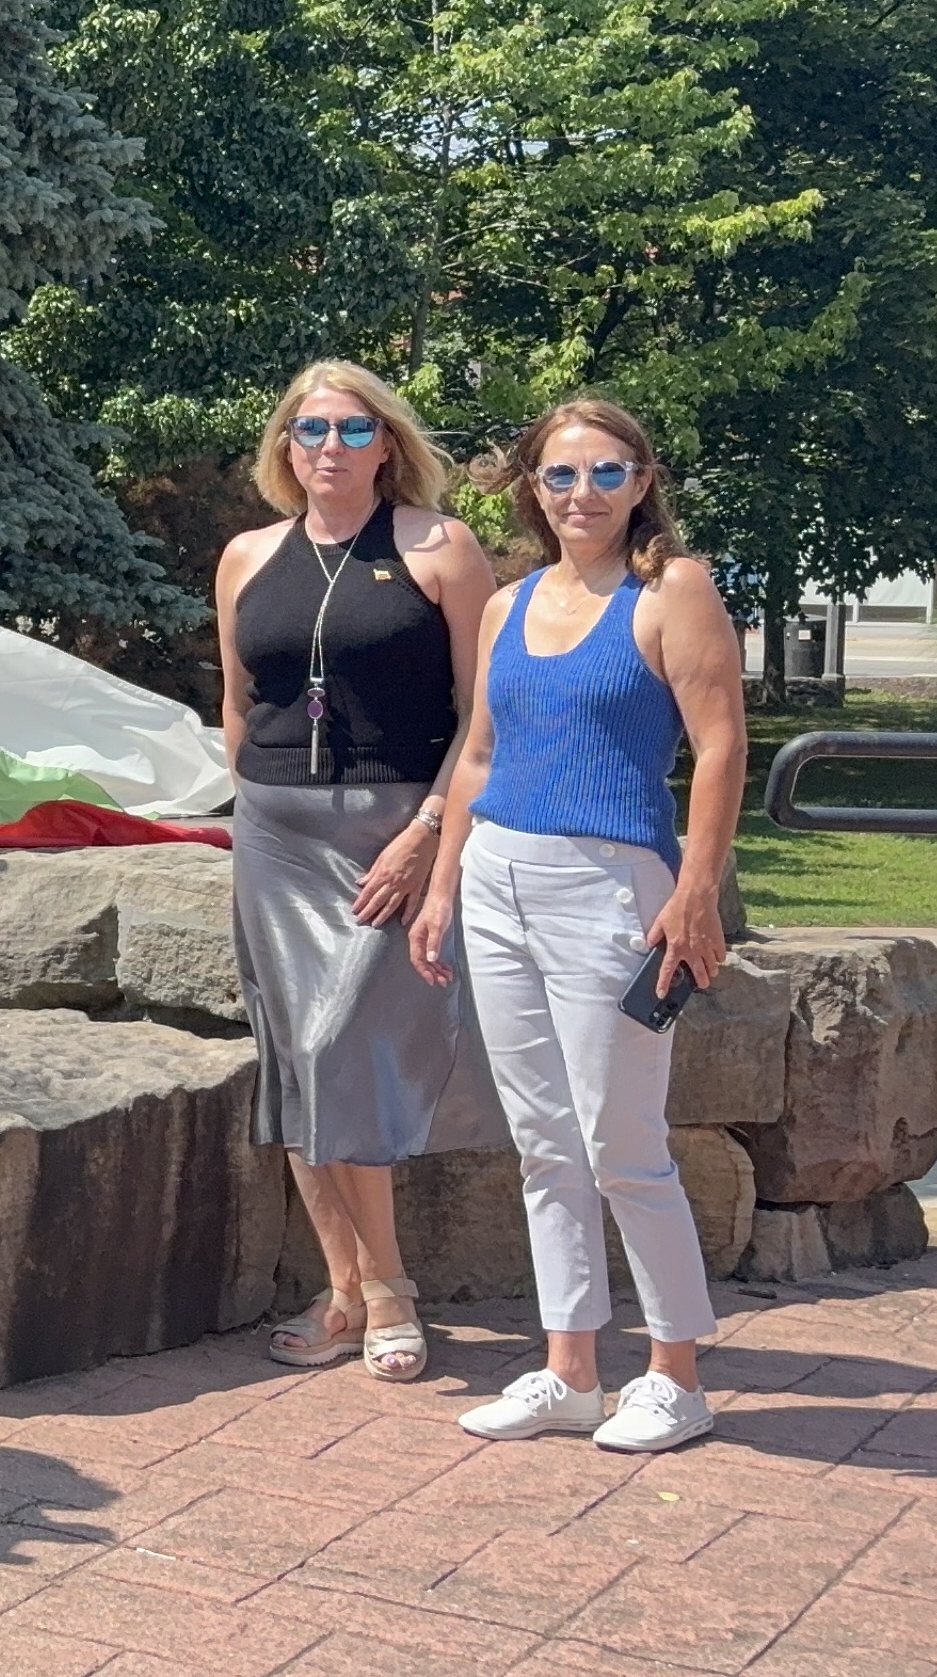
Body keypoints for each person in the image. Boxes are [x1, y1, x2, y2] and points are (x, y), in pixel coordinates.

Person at [413, 397, 747, 1455]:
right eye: (561, 475)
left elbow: (721, 747)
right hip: (500, 878)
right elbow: (477, 756)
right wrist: (439, 887)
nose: (582, 494)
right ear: (532, 487)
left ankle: (674, 1375)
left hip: (612, 890)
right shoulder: (509, 605)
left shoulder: (670, 592)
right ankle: (567, 1370)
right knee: (543, 1142)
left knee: (622, 1142)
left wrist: (694, 890)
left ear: (641, 481)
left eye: (606, 472)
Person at [214, 361, 504, 1382]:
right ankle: (357, 1290)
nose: (324, 447)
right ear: (282, 446)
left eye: (347, 430)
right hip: (276, 836)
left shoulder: (439, 547)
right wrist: (254, 798)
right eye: (306, 429)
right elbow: (239, 706)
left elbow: (482, 714)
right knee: (298, 1060)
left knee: (339, 1048)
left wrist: (426, 833)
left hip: (393, 831)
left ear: (386, 443)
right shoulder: (247, 554)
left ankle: (381, 1288)